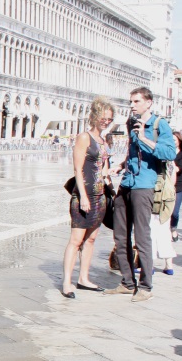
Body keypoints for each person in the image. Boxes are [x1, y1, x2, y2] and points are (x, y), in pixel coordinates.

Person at [104, 87, 177, 301]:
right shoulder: (131, 122)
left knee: (142, 236)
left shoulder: (159, 124)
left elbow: (169, 153)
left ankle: (146, 286)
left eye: (136, 101)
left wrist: (144, 137)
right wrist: (121, 166)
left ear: (148, 103)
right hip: (127, 183)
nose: (132, 105)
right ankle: (127, 282)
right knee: (120, 235)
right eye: (131, 101)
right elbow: (133, 153)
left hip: (145, 185)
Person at [60, 98, 114, 298]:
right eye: (103, 117)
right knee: (76, 240)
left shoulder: (103, 141)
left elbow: (103, 169)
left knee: (91, 239)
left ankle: (83, 278)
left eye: (109, 119)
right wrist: (82, 195)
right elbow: (78, 168)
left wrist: (112, 179)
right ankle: (67, 282)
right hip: (84, 195)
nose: (106, 121)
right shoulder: (85, 137)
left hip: (100, 196)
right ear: (94, 116)